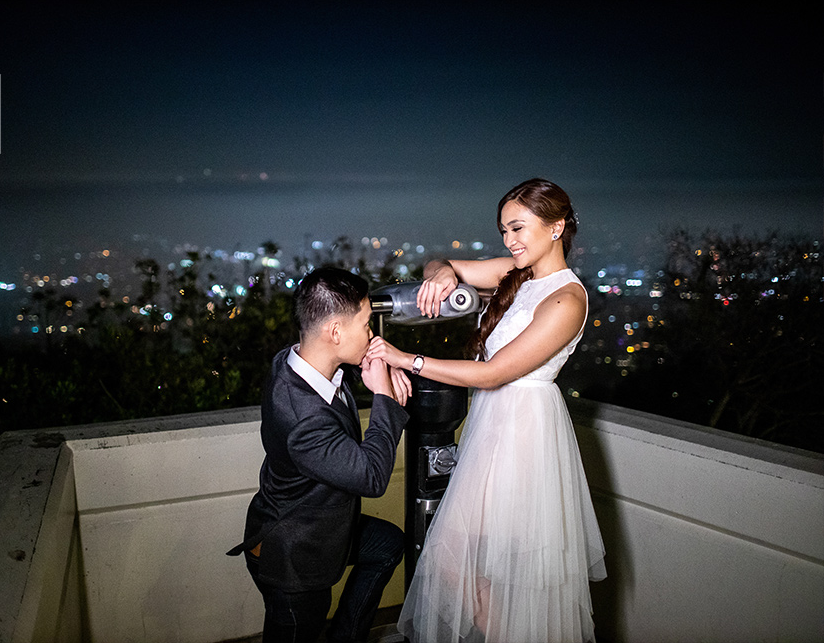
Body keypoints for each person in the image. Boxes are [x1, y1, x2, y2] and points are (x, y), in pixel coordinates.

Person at [367, 178, 607, 642]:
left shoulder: (566, 298)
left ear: (556, 227)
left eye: (519, 228)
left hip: (525, 430)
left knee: (497, 562)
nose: (510, 241)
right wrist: (441, 274)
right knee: (460, 555)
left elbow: (494, 374)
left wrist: (406, 359)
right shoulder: (515, 272)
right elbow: (445, 262)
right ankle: (494, 628)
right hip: (492, 423)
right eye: (503, 231)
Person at [228, 266, 412, 643]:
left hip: (320, 526)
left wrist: (371, 367)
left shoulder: (294, 360)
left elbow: (330, 402)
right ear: (335, 332)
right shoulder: (302, 418)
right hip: (295, 554)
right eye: (365, 325)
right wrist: (384, 398)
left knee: (388, 544)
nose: (372, 334)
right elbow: (371, 477)